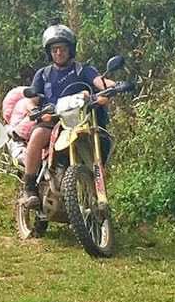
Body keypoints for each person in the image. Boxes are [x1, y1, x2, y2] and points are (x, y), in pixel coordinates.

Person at [18, 24, 117, 210]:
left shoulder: (83, 70)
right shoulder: (44, 74)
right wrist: (34, 110)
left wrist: (115, 86)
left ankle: (96, 195)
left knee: (101, 140)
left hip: (83, 119)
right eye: (54, 49)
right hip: (55, 121)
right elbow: (32, 98)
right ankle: (29, 187)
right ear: (49, 53)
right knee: (37, 135)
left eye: (62, 48)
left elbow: (100, 82)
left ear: (70, 49)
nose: (59, 52)